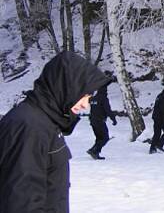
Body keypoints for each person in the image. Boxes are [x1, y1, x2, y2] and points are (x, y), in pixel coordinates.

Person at [0, 51, 110, 213]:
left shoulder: (47, 123)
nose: (86, 105)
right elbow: (22, 203)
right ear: (67, 88)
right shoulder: (30, 127)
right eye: (85, 95)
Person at [87, 83, 117, 160]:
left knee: (99, 138)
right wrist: (113, 119)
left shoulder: (93, 99)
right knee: (105, 138)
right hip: (100, 121)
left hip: (92, 121)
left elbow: (89, 102)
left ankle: (96, 153)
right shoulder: (103, 99)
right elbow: (108, 110)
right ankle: (93, 150)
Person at [150, 83, 164, 154]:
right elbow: (163, 109)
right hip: (161, 117)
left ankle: (152, 148)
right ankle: (159, 145)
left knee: (157, 133)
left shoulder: (160, 95)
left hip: (156, 116)